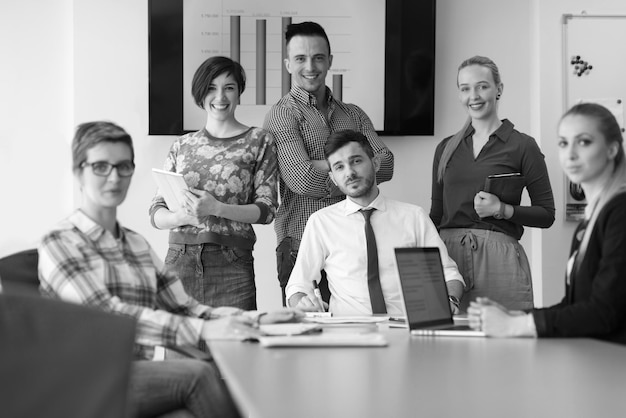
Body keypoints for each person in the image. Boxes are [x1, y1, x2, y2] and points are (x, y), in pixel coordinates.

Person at [39, 121, 302, 417]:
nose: (114, 177)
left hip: (134, 375)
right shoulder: (61, 241)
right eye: (100, 166)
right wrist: (207, 330)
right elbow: (109, 318)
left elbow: (185, 308)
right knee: (199, 375)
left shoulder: (135, 244)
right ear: (78, 172)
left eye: (123, 166)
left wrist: (258, 320)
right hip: (86, 379)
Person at [468, 103, 626, 344]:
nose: (570, 154)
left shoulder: (620, 212)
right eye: (563, 143)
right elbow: (575, 307)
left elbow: (604, 313)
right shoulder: (592, 219)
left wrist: (516, 325)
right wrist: (513, 315)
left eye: (584, 142)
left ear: (612, 149)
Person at [263, 21, 395, 305]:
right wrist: (357, 170)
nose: (310, 66)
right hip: (298, 244)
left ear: (329, 61)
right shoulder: (281, 115)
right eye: (300, 58)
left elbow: (387, 163)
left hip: (351, 246)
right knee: (305, 338)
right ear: (288, 64)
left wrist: (322, 165)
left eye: (318, 57)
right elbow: (302, 179)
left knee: (355, 334)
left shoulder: (354, 115)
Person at [286, 130, 464, 315]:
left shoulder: (413, 217)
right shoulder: (321, 222)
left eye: (356, 161)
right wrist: (302, 302)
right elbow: (298, 285)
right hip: (348, 331)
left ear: (376, 163)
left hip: (405, 329)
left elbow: (448, 273)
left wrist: (450, 299)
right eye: (339, 167)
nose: (350, 173)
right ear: (333, 178)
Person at [150, 56, 278, 310]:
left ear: (239, 92)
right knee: (180, 348)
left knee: (235, 346)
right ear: (200, 93)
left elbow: (266, 210)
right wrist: (181, 217)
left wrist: (216, 208)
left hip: (232, 263)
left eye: (228, 87)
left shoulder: (259, 140)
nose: (220, 96)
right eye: (211, 88)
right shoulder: (182, 145)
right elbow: (155, 212)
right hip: (179, 259)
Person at [430, 55, 555, 312]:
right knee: (448, 346)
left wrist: (503, 210)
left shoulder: (523, 146)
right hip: (449, 260)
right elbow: (435, 216)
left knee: (507, 346)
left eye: (482, 86)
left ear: (499, 89)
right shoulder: (446, 148)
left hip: (501, 262)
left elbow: (547, 214)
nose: (473, 95)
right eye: (465, 89)